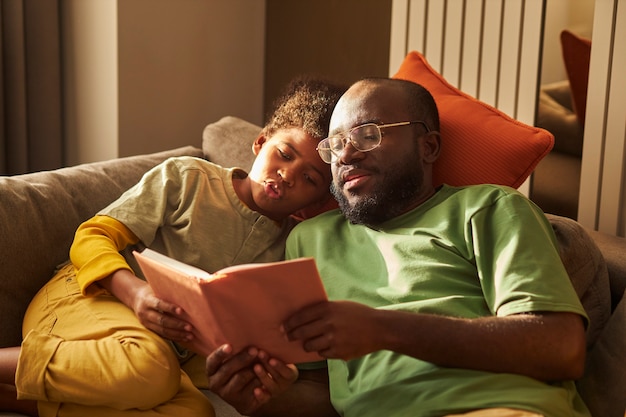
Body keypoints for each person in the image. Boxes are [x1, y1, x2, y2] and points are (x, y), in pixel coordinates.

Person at [205, 78, 592, 417]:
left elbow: (561, 347)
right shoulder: (309, 238)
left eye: (368, 134)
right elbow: (324, 394)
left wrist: (384, 330)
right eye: (335, 144)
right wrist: (256, 398)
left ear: (428, 146)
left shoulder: (488, 208)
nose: (346, 154)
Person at [0, 77, 346, 417]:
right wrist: (136, 294)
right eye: (284, 155)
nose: (287, 175)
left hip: (150, 351)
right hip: (86, 297)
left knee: (193, 410)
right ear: (259, 142)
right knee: (151, 367)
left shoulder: (289, 247)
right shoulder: (189, 179)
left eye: (309, 179)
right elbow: (92, 236)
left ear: (314, 202)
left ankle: (18, 400)